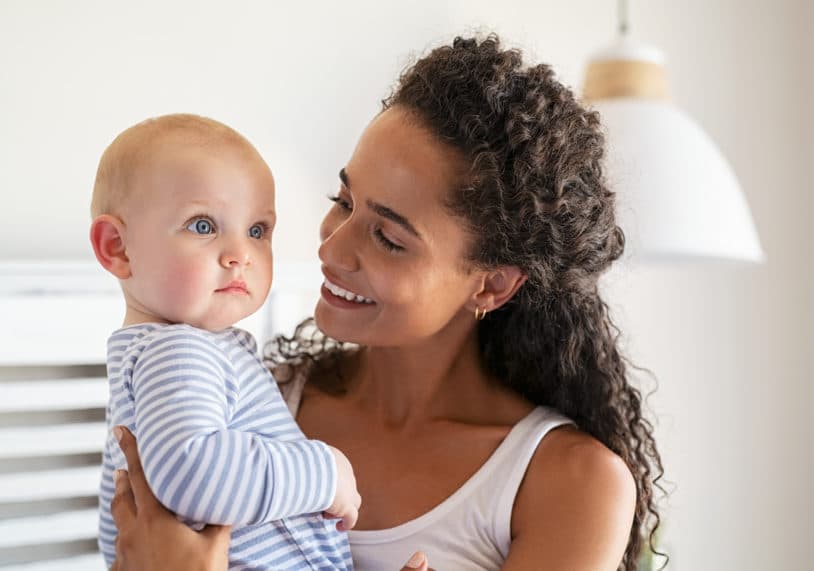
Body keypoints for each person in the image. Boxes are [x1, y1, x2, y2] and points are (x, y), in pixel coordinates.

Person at [108, 35, 665, 571]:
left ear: (491, 284)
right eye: (343, 201)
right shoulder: (250, 406)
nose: (331, 247)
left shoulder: (569, 482)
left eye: (389, 239)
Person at [89, 114, 361, 570]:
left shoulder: (180, 353)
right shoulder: (176, 351)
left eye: (257, 230)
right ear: (118, 247)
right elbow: (192, 472)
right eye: (202, 225)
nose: (241, 254)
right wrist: (326, 472)